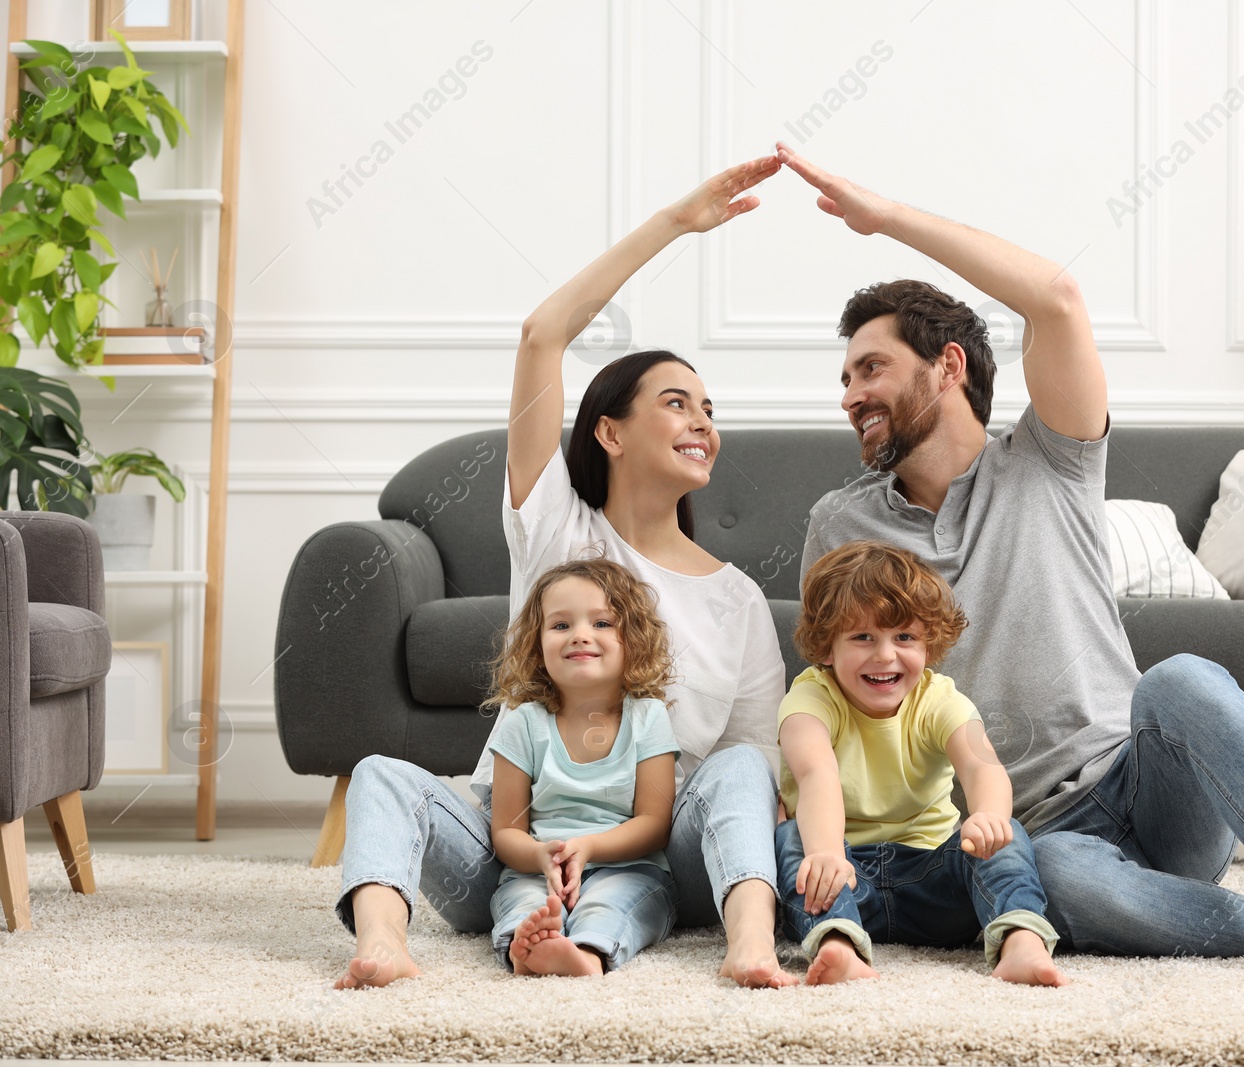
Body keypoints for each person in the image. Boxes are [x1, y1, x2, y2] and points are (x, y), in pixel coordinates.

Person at [779, 142, 1244, 989]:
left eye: (871, 368)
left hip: (1142, 778)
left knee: (1185, 679)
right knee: (1060, 879)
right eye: (844, 377)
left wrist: (886, 218)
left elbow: (1057, 299)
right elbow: (834, 699)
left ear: (948, 366)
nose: (851, 394)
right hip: (1027, 832)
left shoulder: (1049, 459)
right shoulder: (841, 522)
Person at [335, 155, 799, 989]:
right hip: (515, 843)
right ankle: (381, 943)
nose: (702, 422)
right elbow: (542, 334)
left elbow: (755, 765)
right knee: (380, 776)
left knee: (737, 769)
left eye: (708, 409)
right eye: (676, 402)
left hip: (658, 854)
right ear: (611, 433)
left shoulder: (735, 599)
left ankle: (751, 945)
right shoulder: (558, 528)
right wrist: (676, 223)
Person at [776, 540, 1065, 987]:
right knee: (793, 839)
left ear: (928, 646)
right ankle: (837, 941)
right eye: (862, 637)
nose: (886, 655)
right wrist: (829, 854)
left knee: (1007, 834)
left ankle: (1020, 939)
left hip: (932, 877)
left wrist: (987, 817)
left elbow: (982, 767)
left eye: (904, 637)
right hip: (846, 876)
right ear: (827, 647)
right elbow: (817, 775)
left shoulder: (939, 699)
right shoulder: (810, 699)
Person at [487, 557, 679, 976]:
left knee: (612, 904)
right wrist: (540, 857)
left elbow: (655, 821)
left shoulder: (647, 717)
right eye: (560, 625)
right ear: (536, 646)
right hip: (539, 872)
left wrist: (589, 847)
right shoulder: (524, 722)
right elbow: (504, 830)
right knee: (525, 904)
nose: (580, 636)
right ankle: (527, 950)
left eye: (602, 623)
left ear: (634, 639)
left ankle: (588, 955)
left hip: (628, 867)